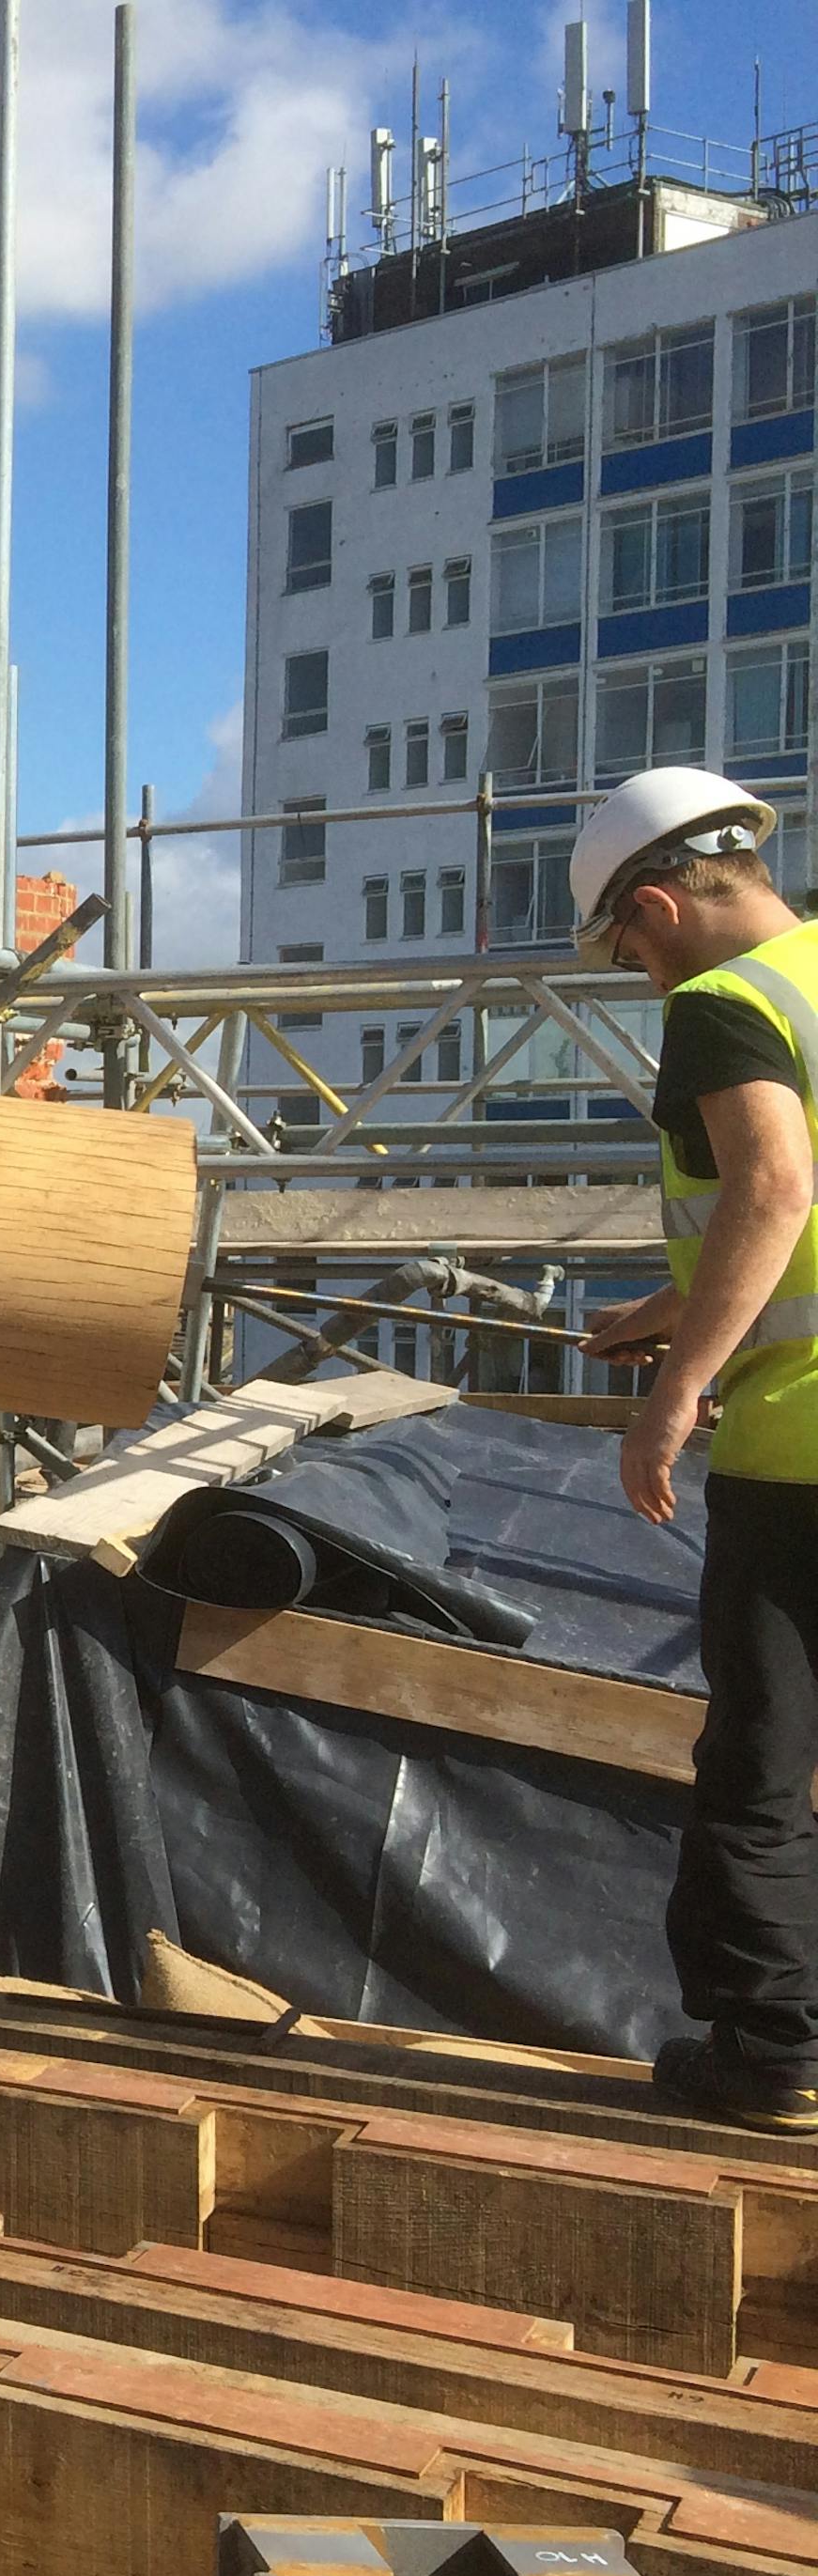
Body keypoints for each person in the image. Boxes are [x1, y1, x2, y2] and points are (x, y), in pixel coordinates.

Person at [570, 767, 818, 2132]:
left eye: (631, 951)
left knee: (761, 1767)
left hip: (800, 1458)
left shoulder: (726, 1004)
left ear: (659, 908)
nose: (642, 977)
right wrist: (674, 1307)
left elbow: (775, 1187)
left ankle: (769, 2057)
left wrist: (679, 1388)